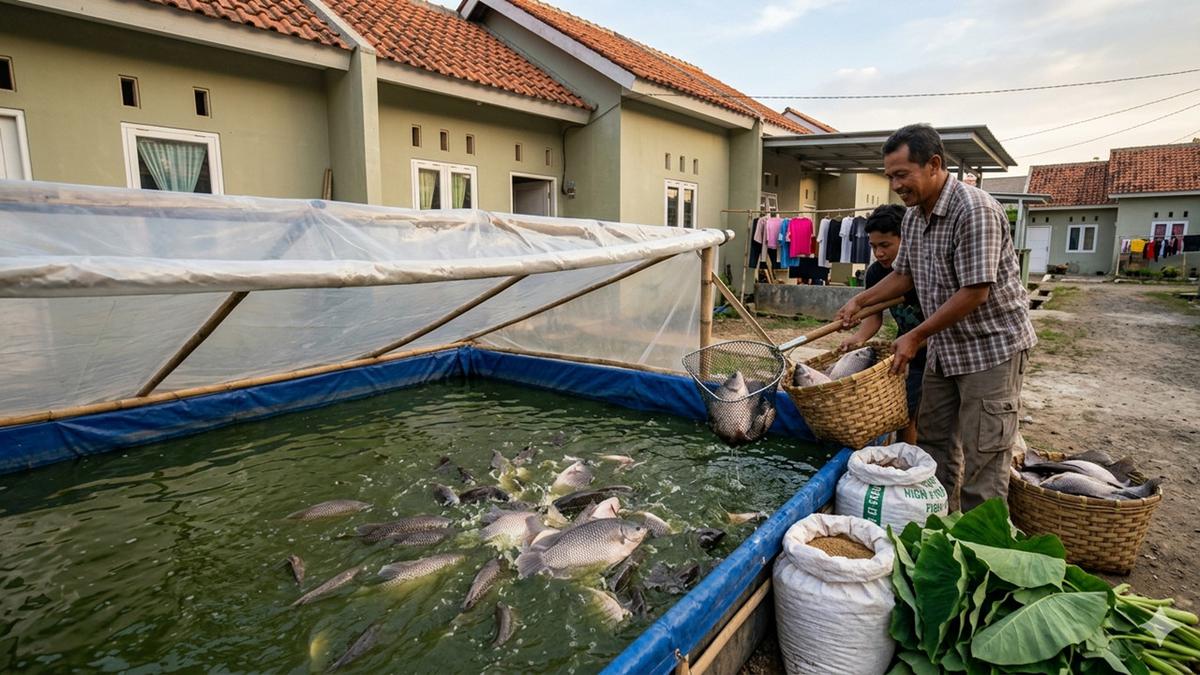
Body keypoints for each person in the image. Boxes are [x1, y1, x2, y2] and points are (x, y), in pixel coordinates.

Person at [835, 124, 1036, 512]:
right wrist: (862, 301)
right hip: (946, 348)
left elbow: (975, 291)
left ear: (934, 165)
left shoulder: (975, 210)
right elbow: (903, 275)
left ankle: (983, 544)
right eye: (890, 175)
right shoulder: (913, 217)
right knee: (933, 442)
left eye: (902, 174)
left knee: (985, 453)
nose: (895, 185)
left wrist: (915, 335)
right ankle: (940, 522)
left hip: (991, 348)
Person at [839, 204, 924, 444]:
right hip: (906, 352)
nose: (879, 253)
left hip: (933, 348)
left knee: (918, 416)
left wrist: (917, 340)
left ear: (906, 239)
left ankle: (911, 463)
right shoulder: (876, 273)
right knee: (902, 410)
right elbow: (873, 318)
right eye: (874, 246)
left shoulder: (922, 270)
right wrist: (858, 338)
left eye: (885, 245)